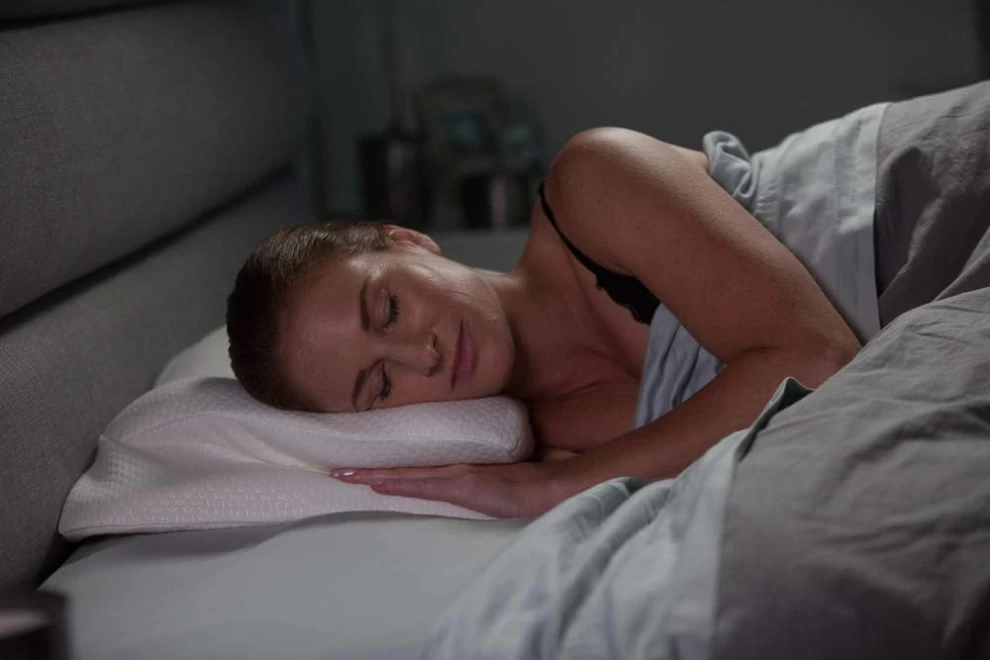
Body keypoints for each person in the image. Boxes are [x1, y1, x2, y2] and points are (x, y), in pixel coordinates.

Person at [227, 81, 990, 518]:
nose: (419, 355)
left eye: (389, 309)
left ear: (407, 241)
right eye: (380, 385)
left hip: (935, 191)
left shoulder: (590, 182)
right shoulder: (545, 434)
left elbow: (816, 360)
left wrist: (552, 488)